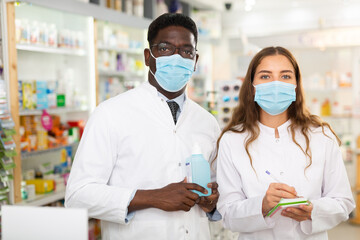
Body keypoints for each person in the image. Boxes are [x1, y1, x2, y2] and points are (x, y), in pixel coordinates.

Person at [65, 13, 221, 240]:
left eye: (187, 51)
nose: (177, 57)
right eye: (166, 48)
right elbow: (78, 196)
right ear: (148, 57)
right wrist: (153, 197)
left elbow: (216, 190)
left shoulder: (207, 122)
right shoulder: (110, 114)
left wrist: (211, 202)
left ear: (195, 61)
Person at [216, 46, 355, 239]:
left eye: (285, 76)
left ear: (296, 84)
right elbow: (227, 214)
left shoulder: (320, 135)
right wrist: (261, 206)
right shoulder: (232, 140)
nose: (276, 84)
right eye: (265, 76)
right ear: (252, 85)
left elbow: (343, 202)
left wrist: (313, 210)